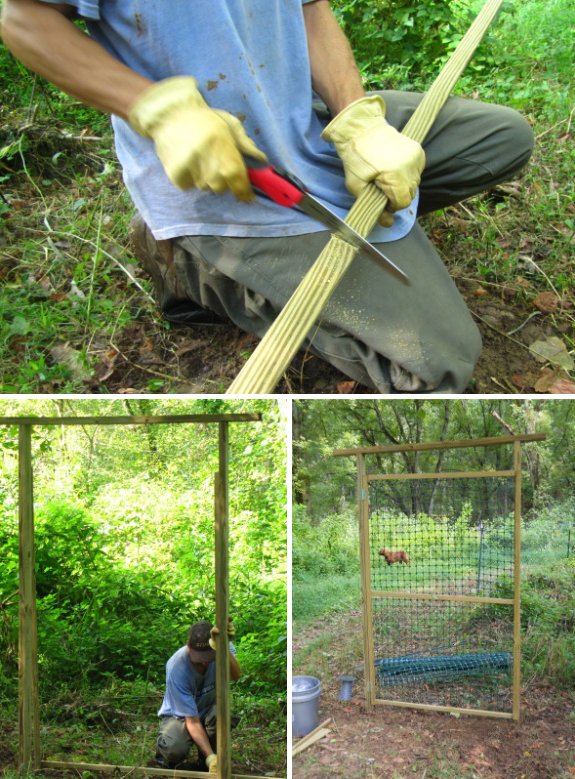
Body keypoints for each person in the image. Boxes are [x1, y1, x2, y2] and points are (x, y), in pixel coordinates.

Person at [0, 1, 534, 392]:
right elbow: (22, 16)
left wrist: (356, 119)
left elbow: (310, 7)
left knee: (501, 139)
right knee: (438, 364)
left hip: (305, 126)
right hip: (224, 177)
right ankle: (195, 264)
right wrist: (157, 110)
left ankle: (340, 212)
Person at [155, 620, 241, 773]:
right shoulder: (177, 668)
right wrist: (211, 758)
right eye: (200, 660)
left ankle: (205, 762)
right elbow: (192, 721)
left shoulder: (221, 647)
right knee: (175, 748)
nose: (205, 664)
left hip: (209, 711)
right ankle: (166, 760)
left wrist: (224, 649)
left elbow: (235, 675)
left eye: (209, 658)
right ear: (189, 646)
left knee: (221, 714)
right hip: (179, 716)